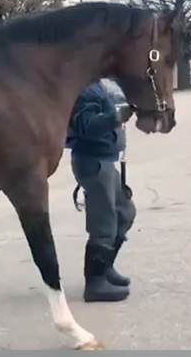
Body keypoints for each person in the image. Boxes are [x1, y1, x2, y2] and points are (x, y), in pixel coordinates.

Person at [66, 79, 137, 303]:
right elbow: (86, 126)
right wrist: (116, 117)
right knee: (104, 223)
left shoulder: (100, 85)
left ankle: (105, 267)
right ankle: (95, 283)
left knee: (124, 212)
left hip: (105, 160)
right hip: (93, 161)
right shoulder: (85, 89)